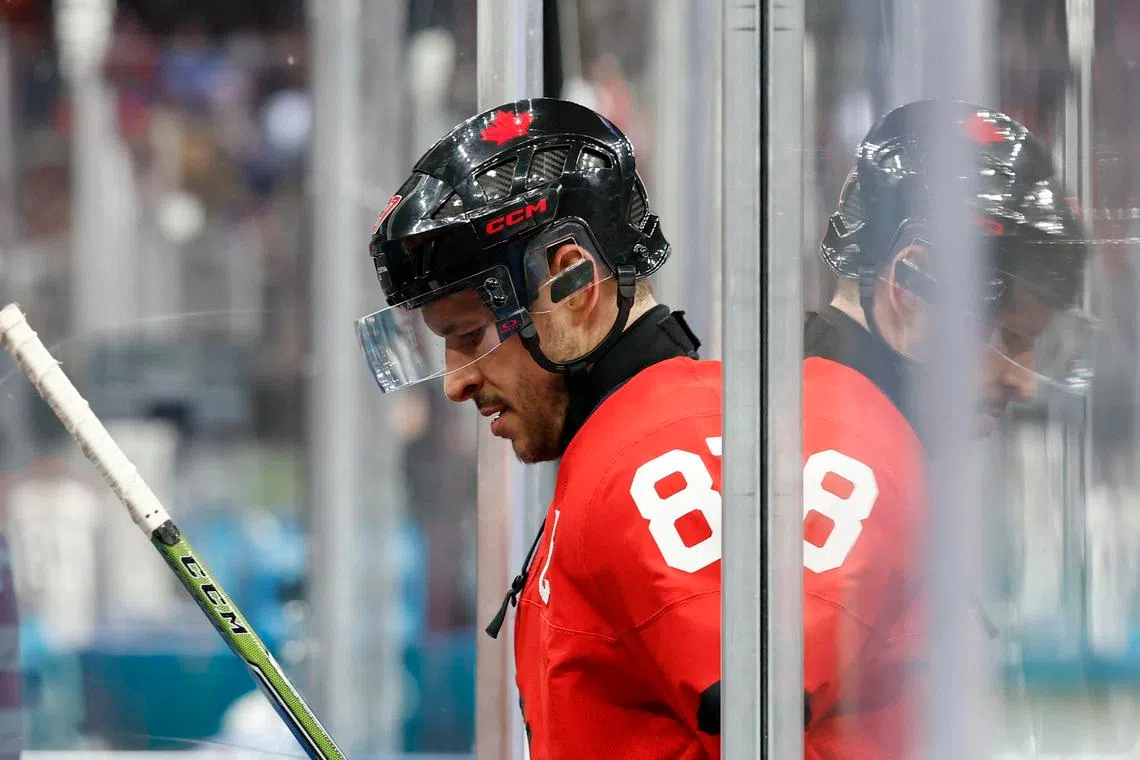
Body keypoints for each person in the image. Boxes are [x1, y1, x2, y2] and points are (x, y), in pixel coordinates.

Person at [357, 98, 723, 759]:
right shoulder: (624, 447)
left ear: (571, 284)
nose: (455, 383)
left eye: (470, 334)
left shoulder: (659, 464)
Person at [802, 99, 1090, 759]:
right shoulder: (831, 462)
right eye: (1010, 338)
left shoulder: (855, 439)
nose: (1024, 382)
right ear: (912, 285)